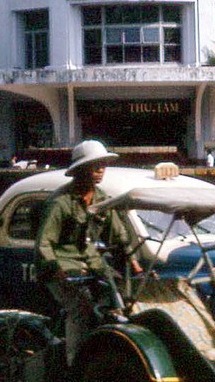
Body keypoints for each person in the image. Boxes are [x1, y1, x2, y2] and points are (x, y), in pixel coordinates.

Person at [35, 139, 140, 366]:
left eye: (103, 165)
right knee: (79, 308)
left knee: (121, 298)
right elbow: (44, 243)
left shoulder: (102, 199)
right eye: (95, 165)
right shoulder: (61, 202)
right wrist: (56, 270)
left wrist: (133, 261)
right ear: (81, 169)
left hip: (92, 264)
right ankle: (76, 364)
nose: (101, 170)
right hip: (62, 266)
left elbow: (118, 233)